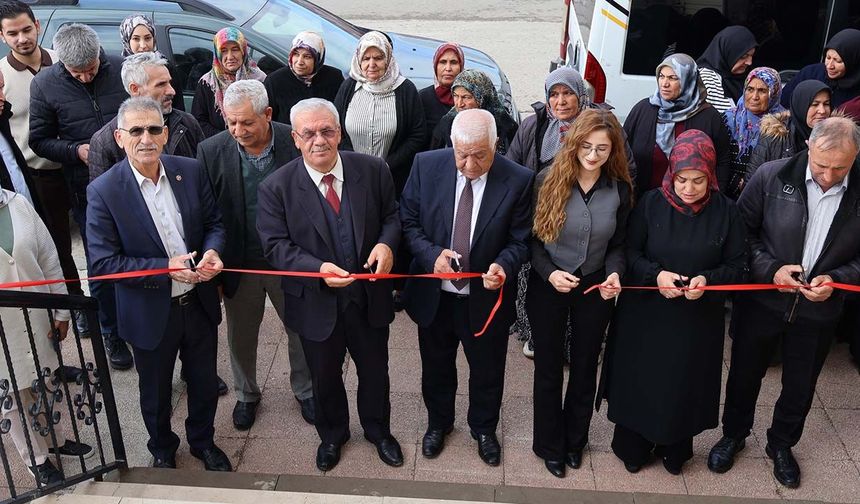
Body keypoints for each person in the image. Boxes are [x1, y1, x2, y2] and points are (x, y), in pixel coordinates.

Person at [709, 117, 860, 489]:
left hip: (819, 308)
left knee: (800, 384)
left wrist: (838, 280)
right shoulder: (771, 176)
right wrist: (771, 269)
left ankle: (781, 444)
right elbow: (740, 235)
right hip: (762, 301)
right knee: (744, 374)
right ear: (809, 146)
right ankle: (733, 435)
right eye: (822, 164)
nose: (828, 175)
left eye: (840, 167)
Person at [256, 98, 403, 472]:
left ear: (339, 132)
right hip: (315, 302)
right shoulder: (276, 187)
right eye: (309, 133)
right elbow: (275, 247)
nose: (319, 140)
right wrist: (318, 267)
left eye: (326, 130)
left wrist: (387, 243)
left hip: (368, 298)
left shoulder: (372, 170)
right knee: (324, 376)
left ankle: (378, 430)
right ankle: (333, 435)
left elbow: (392, 215)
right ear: (296, 139)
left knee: (375, 370)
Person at [86, 96, 231, 471]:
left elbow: (215, 222)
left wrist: (213, 251)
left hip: (197, 303)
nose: (146, 138)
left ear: (165, 134)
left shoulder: (190, 170)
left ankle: (202, 442)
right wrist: (164, 268)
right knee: (155, 392)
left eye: (153, 129)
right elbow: (102, 263)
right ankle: (163, 447)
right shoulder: (104, 191)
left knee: (203, 383)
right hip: (150, 311)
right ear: (120, 137)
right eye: (136, 130)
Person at [605, 129, 747, 476]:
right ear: (671, 172)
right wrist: (657, 276)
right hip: (647, 315)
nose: (688, 188)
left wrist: (708, 281)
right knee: (642, 379)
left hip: (696, 318)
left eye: (698, 180)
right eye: (682, 179)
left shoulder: (726, 212)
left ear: (710, 176)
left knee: (683, 383)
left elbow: (738, 266)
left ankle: (673, 447)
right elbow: (630, 252)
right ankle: (634, 446)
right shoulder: (651, 203)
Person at [400, 109, 533, 467]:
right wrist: (431, 257)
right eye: (462, 154)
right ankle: (439, 423)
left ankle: (484, 429)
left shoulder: (519, 179)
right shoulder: (426, 166)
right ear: (452, 145)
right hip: (436, 297)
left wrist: (502, 266)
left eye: (480, 155)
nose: (470, 165)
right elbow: (409, 223)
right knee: (436, 365)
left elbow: (521, 240)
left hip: (485, 299)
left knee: (488, 369)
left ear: (496, 146)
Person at [197, 80, 314, 430]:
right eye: (231, 122)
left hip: (289, 261)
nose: (237, 130)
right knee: (240, 335)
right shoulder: (211, 151)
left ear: (267, 114)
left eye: (246, 122)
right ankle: (246, 395)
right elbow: (207, 212)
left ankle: (306, 390)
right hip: (239, 263)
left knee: (300, 329)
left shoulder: (295, 141)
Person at [528, 109, 633, 478]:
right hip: (550, 284)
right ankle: (549, 444)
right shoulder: (547, 180)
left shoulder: (619, 188)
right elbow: (532, 243)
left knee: (586, 366)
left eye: (602, 149)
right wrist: (550, 273)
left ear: (612, 150)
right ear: (573, 145)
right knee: (548, 367)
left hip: (594, 287)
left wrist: (615, 273)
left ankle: (575, 440)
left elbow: (619, 244)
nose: (592, 155)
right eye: (586, 147)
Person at [28, 23, 131, 370]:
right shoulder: (44, 83)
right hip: (86, 188)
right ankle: (111, 331)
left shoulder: (121, 67)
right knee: (100, 262)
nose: (86, 78)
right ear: (63, 66)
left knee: (139, 254)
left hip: (132, 180)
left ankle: (139, 320)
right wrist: (75, 150)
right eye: (78, 73)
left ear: (100, 55)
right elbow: (39, 140)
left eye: (91, 69)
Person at [0, 0, 92, 341]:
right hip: (40, 177)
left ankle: (106, 308)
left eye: (26, 29)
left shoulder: (65, 59)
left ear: (37, 26)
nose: (22, 38)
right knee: (57, 249)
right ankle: (76, 306)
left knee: (96, 239)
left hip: (82, 168)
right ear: (2, 36)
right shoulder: (3, 77)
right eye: (13, 33)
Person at [0, 188, 93, 485]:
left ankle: (55, 439)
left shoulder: (18, 204)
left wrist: (62, 312)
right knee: (11, 395)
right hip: (3, 331)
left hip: (37, 319)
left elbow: (49, 258)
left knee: (45, 380)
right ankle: (36, 459)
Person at [333, 30, 425, 197]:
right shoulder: (348, 87)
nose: (371, 64)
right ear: (358, 60)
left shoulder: (405, 89)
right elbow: (335, 129)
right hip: (351, 176)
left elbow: (417, 135)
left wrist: (388, 165)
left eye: (378, 58)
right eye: (366, 58)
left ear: (388, 59)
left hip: (393, 179)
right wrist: (355, 163)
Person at [624, 53, 730, 197]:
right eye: (661, 76)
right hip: (642, 203)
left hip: (690, 205)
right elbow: (623, 152)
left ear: (689, 80)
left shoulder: (709, 117)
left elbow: (723, 162)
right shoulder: (643, 110)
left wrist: (716, 198)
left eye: (673, 78)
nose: (664, 83)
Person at [89, 52, 204, 181]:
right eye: (161, 84)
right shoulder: (104, 141)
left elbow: (203, 178)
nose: (172, 91)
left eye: (169, 83)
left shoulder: (187, 122)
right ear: (135, 89)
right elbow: (105, 196)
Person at [192, 27, 266, 138]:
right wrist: (228, 138)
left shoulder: (260, 79)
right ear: (217, 53)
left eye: (235, 49)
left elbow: (266, 116)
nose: (230, 57)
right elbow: (199, 122)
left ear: (243, 51)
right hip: (220, 147)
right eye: (224, 51)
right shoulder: (207, 83)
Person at [723, 67, 785, 199]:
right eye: (750, 89)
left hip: (762, 196)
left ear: (773, 93)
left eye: (762, 91)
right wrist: (734, 183)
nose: (754, 97)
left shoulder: (783, 124)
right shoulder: (728, 119)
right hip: (726, 193)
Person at [748, 80, 831, 177]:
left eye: (826, 104)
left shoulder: (838, 137)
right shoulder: (775, 137)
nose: (822, 111)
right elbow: (753, 181)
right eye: (814, 104)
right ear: (800, 105)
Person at [428, 69, 518, 155]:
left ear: (482, 98)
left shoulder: (505, 126)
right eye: (455, 96)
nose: (459, 104)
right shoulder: (446, 125)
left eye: (466, 97)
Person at [264, 31, 343, 125]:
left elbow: (341, 114)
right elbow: (268, 121)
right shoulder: (275, 81)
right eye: (296, 54)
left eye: (307, 57)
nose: (300, 62)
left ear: (318, 58)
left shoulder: (334, 77)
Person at [118, 14, 184, 112]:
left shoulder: (164, 66)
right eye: (136, 39)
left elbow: (177, 107)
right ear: (127, 40)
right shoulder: (119, 70)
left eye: (148, 38)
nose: (143, 45)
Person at [781, 29, 860, 109]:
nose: (829, 66)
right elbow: (783, 103)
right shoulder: (811, 73)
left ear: (854, 61)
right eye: (828, 58)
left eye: (838, 61)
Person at [696, 25, 757, 113]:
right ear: (727, 52)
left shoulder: (749, 76)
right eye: (743, 56)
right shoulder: (706, 79)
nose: (749, 62)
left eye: (751, 56)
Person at [418, 42, 464, 147]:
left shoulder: (469, 99)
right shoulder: (423, 98)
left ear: (461, 66)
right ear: (435, 66)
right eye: (443, 62)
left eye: (453, 62)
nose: (448, 68)